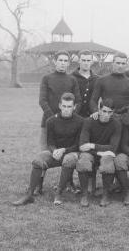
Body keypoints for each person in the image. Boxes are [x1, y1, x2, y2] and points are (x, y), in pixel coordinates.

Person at [13, 93, 83, 206]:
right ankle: (29, 195)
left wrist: (64, 150)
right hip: (56, 153)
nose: (66, 109)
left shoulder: (81, 121)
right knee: (38, 159)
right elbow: (50, 142)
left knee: (69, 159)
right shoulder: (51, 121)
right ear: (60, 105)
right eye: (64, 106)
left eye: (69, 107)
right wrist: (54, 150)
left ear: (74, 107)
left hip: (71, 153)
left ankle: (59, 193)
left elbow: (78, 145)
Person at [38, 50, 80, 194]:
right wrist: (54, 118)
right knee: (45, 153)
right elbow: (42, 100)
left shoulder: (72, 80)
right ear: (55, 61)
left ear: (69, 63)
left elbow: (78, 101)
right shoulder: (46, 78)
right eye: (60, 60)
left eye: (65, 61)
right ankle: (38, 184)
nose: (62, 63)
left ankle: (69, 182)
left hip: (68, 124)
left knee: (68, 155)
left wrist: (68, 117)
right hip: (49, 122)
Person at [77, 98, 122, 207]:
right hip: (92, 153)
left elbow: (113, 148)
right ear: (99, 110)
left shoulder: (116, 124)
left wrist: (93, 146)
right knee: (83, 161)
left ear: (113, 112)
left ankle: (105, 195)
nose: (106, 114)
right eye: (104, 111)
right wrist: (100, 151)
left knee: (107, 163)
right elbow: (82, 146)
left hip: (104, 153)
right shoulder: (89, 121)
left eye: (110, 112)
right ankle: (84, 195)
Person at [89, 52, 129, 117]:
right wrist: (96, 111)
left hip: (125, 119)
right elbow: (93, 100)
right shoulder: (101, 80)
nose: (120, 66)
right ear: (113, 63)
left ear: (126, 65)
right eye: (118, 63)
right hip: (106, 117)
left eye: (123, 63)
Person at [72, 49, 99, 118]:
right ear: (79, 61)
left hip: (92, 117)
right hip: (75, 116)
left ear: (92, 62)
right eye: (83, 60)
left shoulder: (97, 79)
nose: (86, 63)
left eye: (88, 60)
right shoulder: (71, 77)